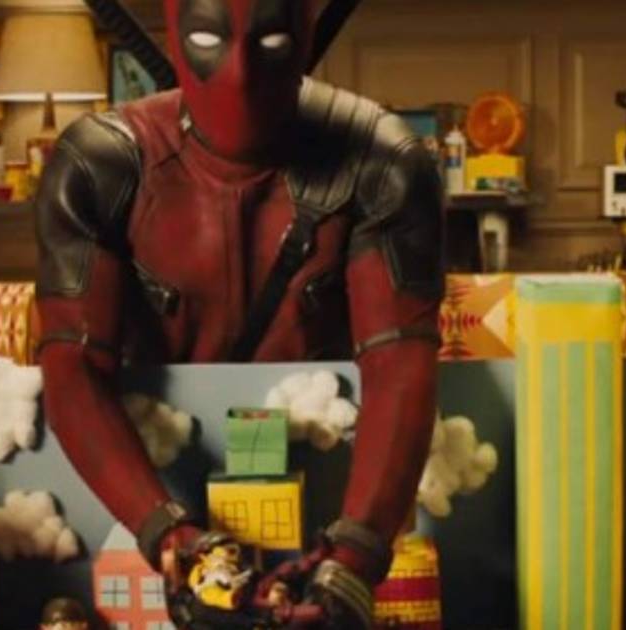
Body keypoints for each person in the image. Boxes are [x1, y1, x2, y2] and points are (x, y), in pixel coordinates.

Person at [35, 0, 443, 626]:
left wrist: (354, 560)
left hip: (330, 488)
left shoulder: (381, 161)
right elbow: (74, 367)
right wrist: (168, 535)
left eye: (272, 42)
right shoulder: (101, 166)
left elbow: (401, 364)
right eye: (209, 39)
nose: (241, 74)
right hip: (147, 489)